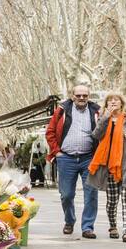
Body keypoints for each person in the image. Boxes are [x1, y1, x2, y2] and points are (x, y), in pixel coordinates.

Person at [87, 93, 126, 242]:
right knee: (112, 202)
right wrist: (106, 117)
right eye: (110, 100)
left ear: (122, 103)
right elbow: (96, 135)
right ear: (106, 104)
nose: (113, 102)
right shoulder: (103, 118)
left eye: (116, 100)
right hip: (110, 167)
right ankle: (113, 226)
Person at [46, 84, 101, 237]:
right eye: (78, 95)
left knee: (91, 193)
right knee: (66, 195)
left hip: (88, 158)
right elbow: (50, 132)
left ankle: (87, 227)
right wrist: (56, 152)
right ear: (72, 96)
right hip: (66, 158)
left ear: (88, 96)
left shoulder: (96, 111)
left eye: (85, 95)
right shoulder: (62, 110)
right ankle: (69, 221)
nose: (82, 98)